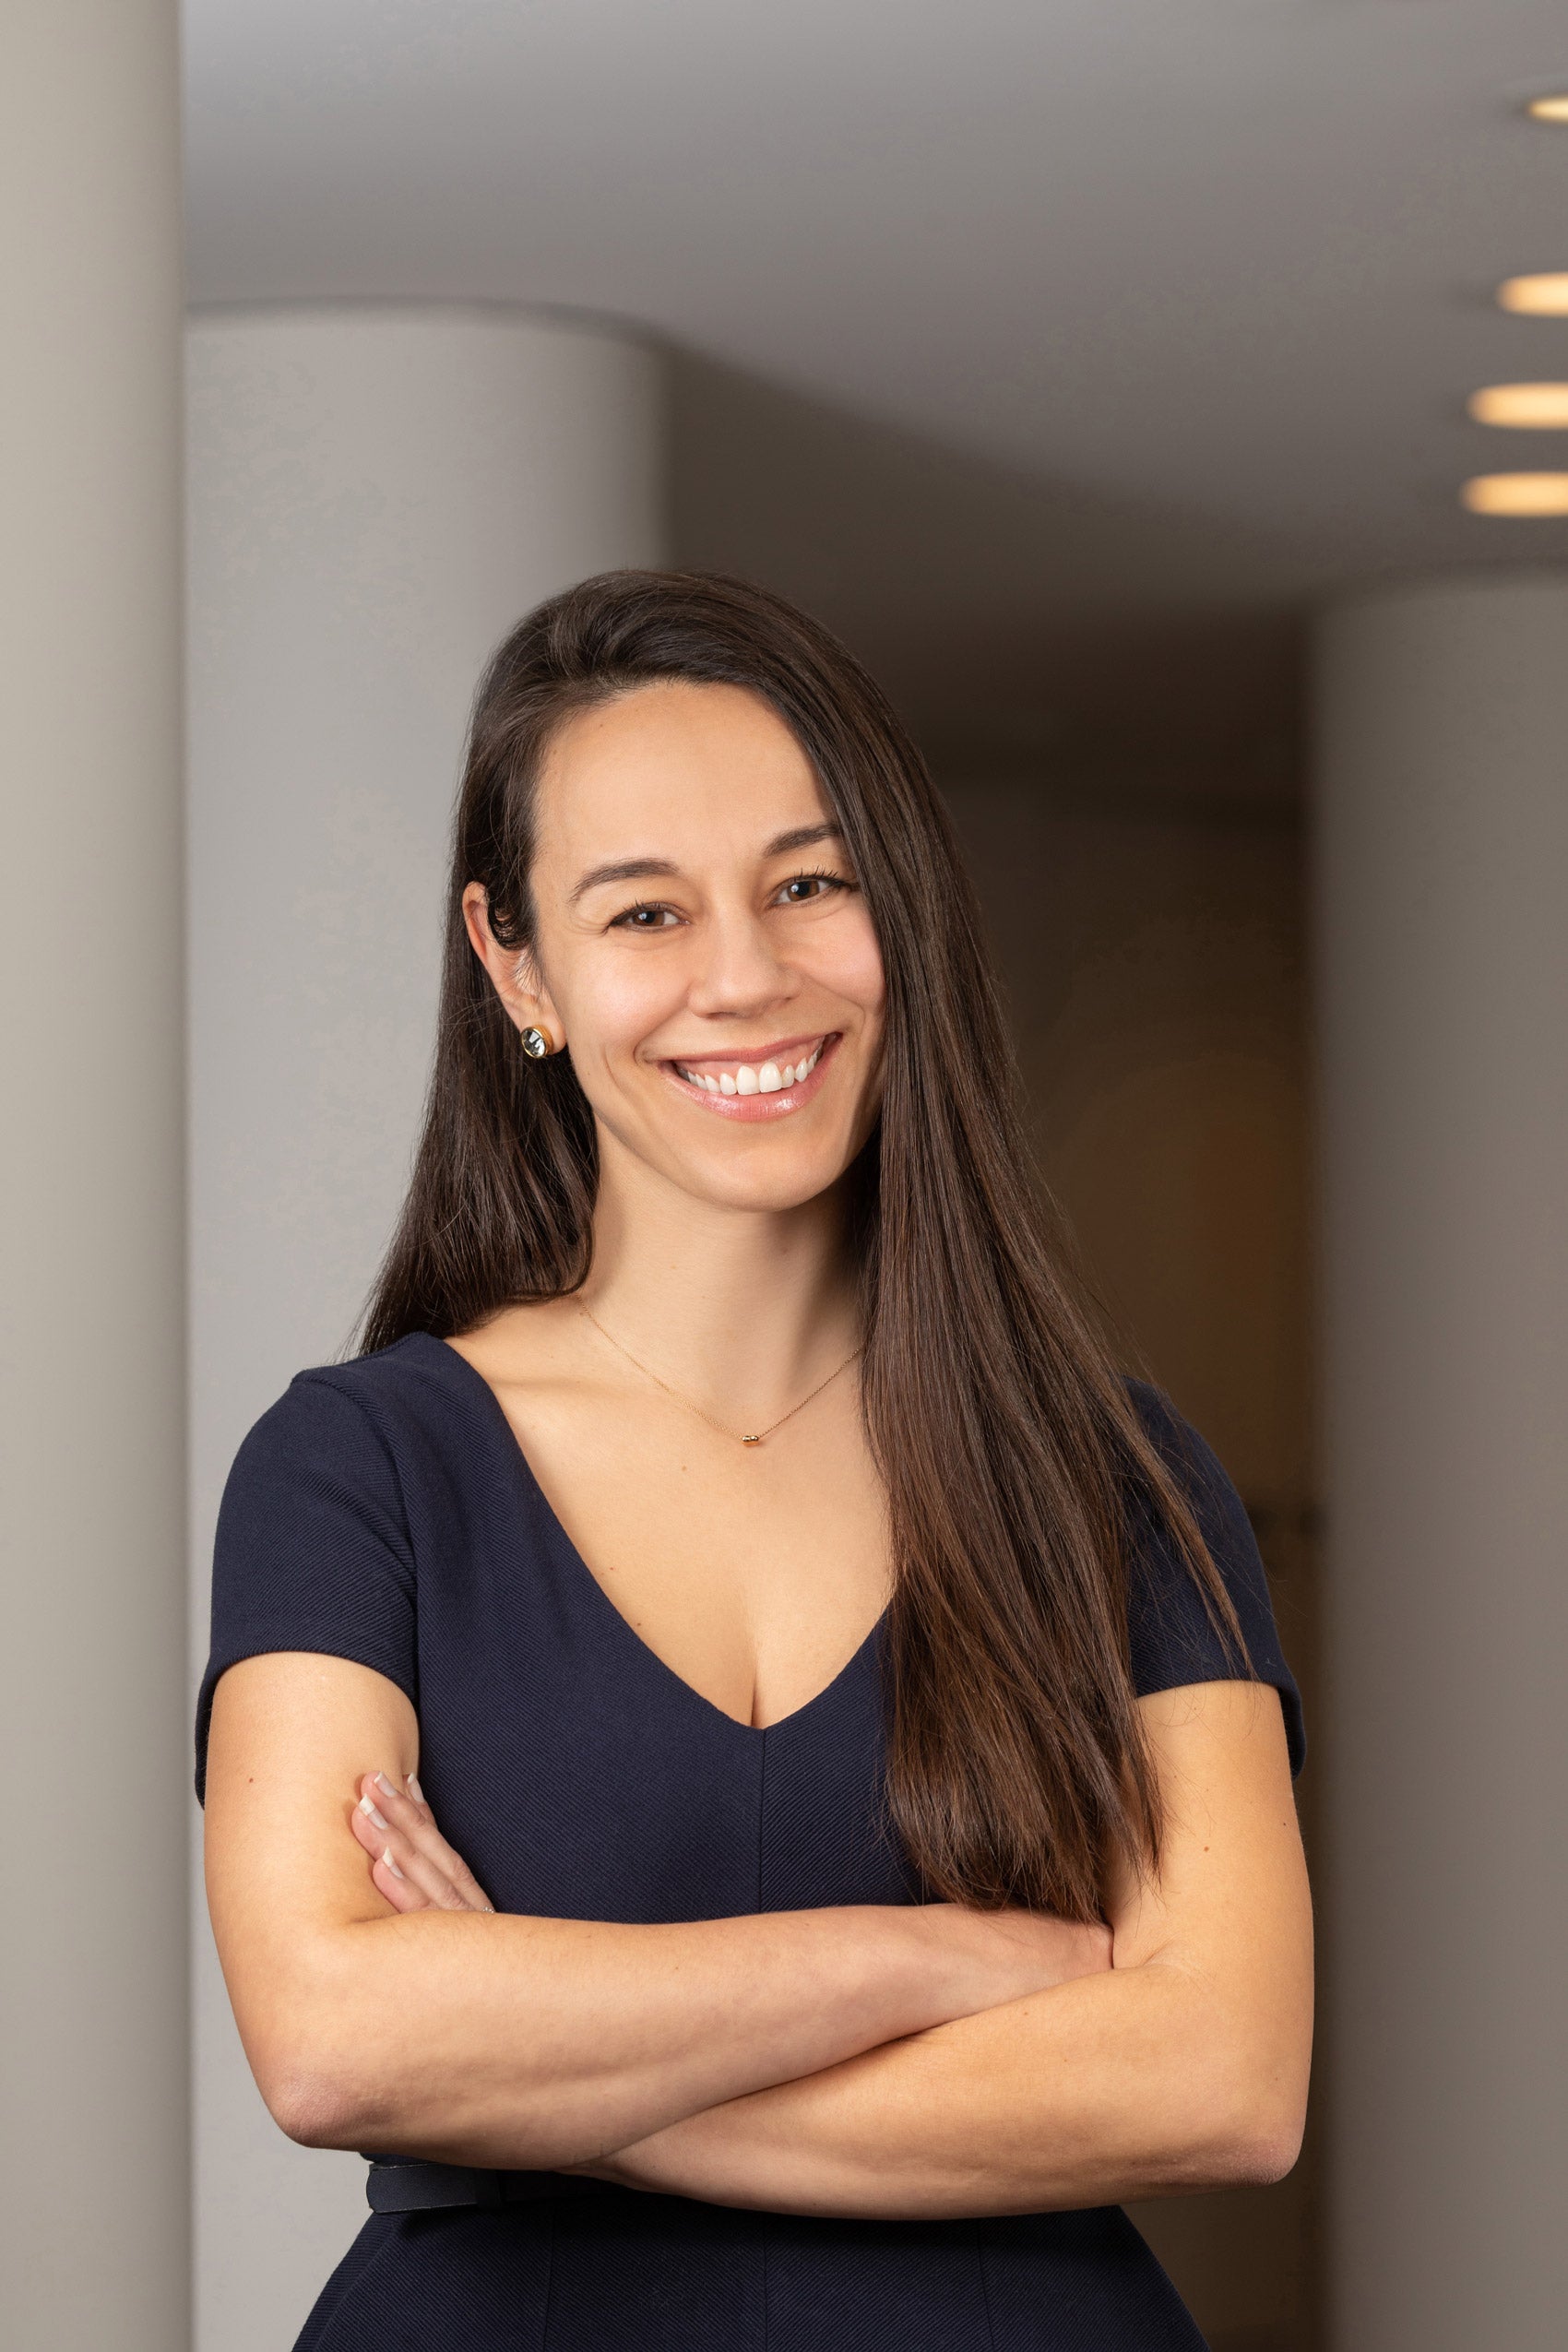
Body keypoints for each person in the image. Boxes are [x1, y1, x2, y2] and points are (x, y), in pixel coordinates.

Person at [196, 569, 1312, 2352]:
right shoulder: (363, 1470)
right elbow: (334, 2036)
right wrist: (934, 1957)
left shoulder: (1107, 1472)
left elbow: (1226, 2076)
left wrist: (559, 2083)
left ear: (903, 912)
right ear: (517, 965)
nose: (747, 975)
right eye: (643, 910)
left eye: (810, 883)